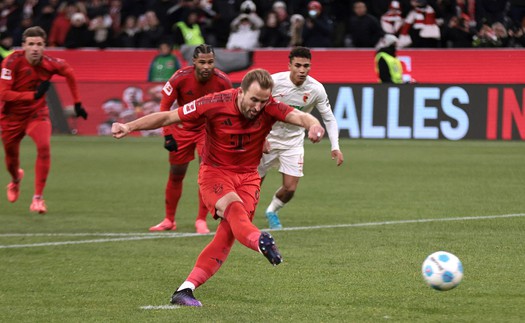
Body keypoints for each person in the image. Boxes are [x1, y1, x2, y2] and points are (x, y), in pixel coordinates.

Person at [111, 68, 325, 307]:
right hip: (215, 174)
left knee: (227, 236)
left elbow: (301, 117)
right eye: (254, 99)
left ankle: (185, 290)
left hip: (249, 178)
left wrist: (313, 126)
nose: (258, 107)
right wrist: (129, 126)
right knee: (234, 211)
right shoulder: (214, 103)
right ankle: (260, 241)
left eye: (263, 101)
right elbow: (168, 117)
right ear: (241, 92)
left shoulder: (270, 106)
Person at [0, 26, 88, 214]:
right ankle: (15, 180)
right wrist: (32, 95)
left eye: (39, 44)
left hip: (36, 114)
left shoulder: (50, 63)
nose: (35, 48)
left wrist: (78, 103)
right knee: (11, 159)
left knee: (43, 147)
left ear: (44, 46)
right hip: (11, 117)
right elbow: (4, 94)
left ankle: (37, 198)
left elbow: (69, 72)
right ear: (23, 46)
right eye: (31, 44)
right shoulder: (11, 62)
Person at [149, 44, 232, 234]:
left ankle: (201, 220)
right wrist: (168, 134)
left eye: (210, 62)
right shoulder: (179, 78)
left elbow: (230, 108)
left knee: (206, 174)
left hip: (208, 131)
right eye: (202, 62)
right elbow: (165, 106)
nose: (206, 67)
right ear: (194, 61)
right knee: (176, 173)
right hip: (182, 128)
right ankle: (169, 220)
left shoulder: (223, 81)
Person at [258, 46, 344, 230]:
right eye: (298, 65)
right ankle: (241, 219)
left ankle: (272, 210)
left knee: (290, 188)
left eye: (306, 66)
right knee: (253, 184)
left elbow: (329, 118)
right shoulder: (273, 82)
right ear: (289, 65)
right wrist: (259, 136)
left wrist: (335, 146)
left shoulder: (316, 89)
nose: (302, 70)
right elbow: (255, 108)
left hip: (293, 142)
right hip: (268, 139)